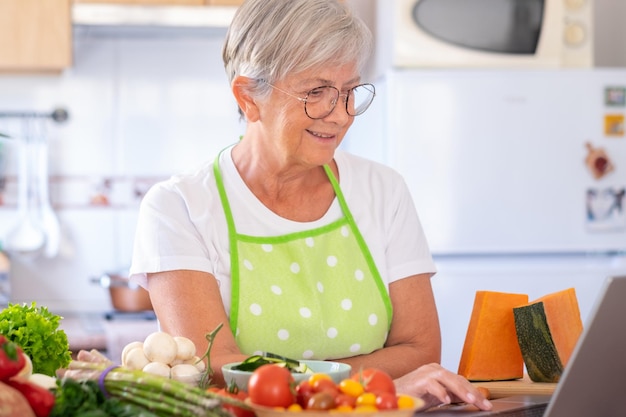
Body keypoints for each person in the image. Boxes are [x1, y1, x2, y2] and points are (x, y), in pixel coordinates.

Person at [129, 0, 492, 411]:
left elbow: (421, 350)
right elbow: (216, 366)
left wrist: (295, 379)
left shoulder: (383, 191)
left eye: (350, 91)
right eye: (316, 92)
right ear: (248, 98)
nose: (340, 115)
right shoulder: (178, 208)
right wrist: (366, 382)